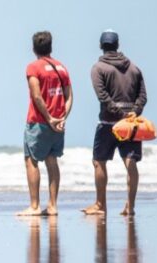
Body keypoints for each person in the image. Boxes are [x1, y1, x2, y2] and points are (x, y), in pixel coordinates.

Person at [82, 30, 147, 217]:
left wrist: (119, 114)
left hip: (108, 123)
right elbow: (143, 96)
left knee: (99, 162)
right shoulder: (134, 68)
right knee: (131, 162)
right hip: (131, 124)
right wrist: (134, 112)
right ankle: (130, 206)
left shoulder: (98, 68)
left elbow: (103, 97)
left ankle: (100, 204)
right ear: (117, 45)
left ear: (102, 46)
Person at [18, 31, 73, 216]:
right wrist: (62, 117)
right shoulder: (62, 67)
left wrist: (49, 118)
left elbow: (36, 95)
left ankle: (34, 206)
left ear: (34, 48)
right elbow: (69, 96)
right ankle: (52, 205)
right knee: (52, 161)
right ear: (51, 47)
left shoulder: (33, 67)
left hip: (39, 122)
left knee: (31, 161)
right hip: (58, 124)